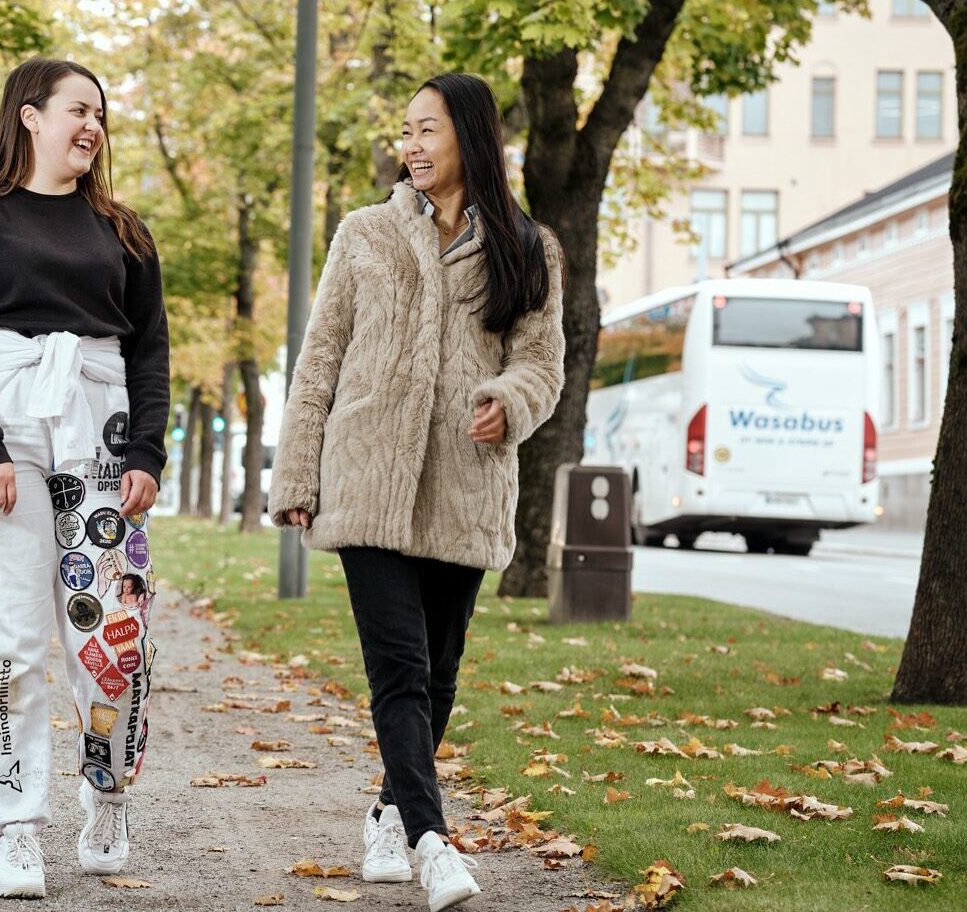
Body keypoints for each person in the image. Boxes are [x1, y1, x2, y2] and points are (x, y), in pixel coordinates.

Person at [268, 72, 565, 912]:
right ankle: (433, 843)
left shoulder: (528, 248)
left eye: (427, 129)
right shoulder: (364, 234)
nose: (412, 145)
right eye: (406, 131)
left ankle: (389, 812)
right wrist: (298, 474)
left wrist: (507, 402)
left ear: (471, 136)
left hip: (464, 485)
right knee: (397, 666)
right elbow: (320, 359)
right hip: (365, 477)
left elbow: (542, 365)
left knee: (438, 673)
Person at [0, 57, 168, 900]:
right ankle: (16, 827)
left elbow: (150, 349)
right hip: (3, 424)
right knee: (8, 638)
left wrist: (147, 452)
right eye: (78, 109)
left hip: (100, 427)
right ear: (29, 116)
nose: (93, 125)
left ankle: (108, 793)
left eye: (100, 114)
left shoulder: (123, 230)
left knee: (113, 639)